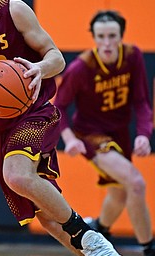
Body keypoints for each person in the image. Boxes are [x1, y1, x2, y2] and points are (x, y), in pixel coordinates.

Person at [0, 0, 121, 255]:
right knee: (47, 215)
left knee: (17, 175)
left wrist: (40, 68)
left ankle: (85, 233)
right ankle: (96, 250)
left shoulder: (11, 9)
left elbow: (56, 58)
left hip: (33, 112)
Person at [54, 10, 155, 256]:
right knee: (136, 182)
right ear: (94, 38)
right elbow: (58, 107)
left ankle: (100, 228)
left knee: (119, 194)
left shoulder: (133, 57)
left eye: (112, 36)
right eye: (101, 36)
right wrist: (69, 138)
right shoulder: (81, 68)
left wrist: (144, 133)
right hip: (91, 134)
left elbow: (142, 101)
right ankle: (149, 248)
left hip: (119, 133)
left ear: (121, 36)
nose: (107, 43)